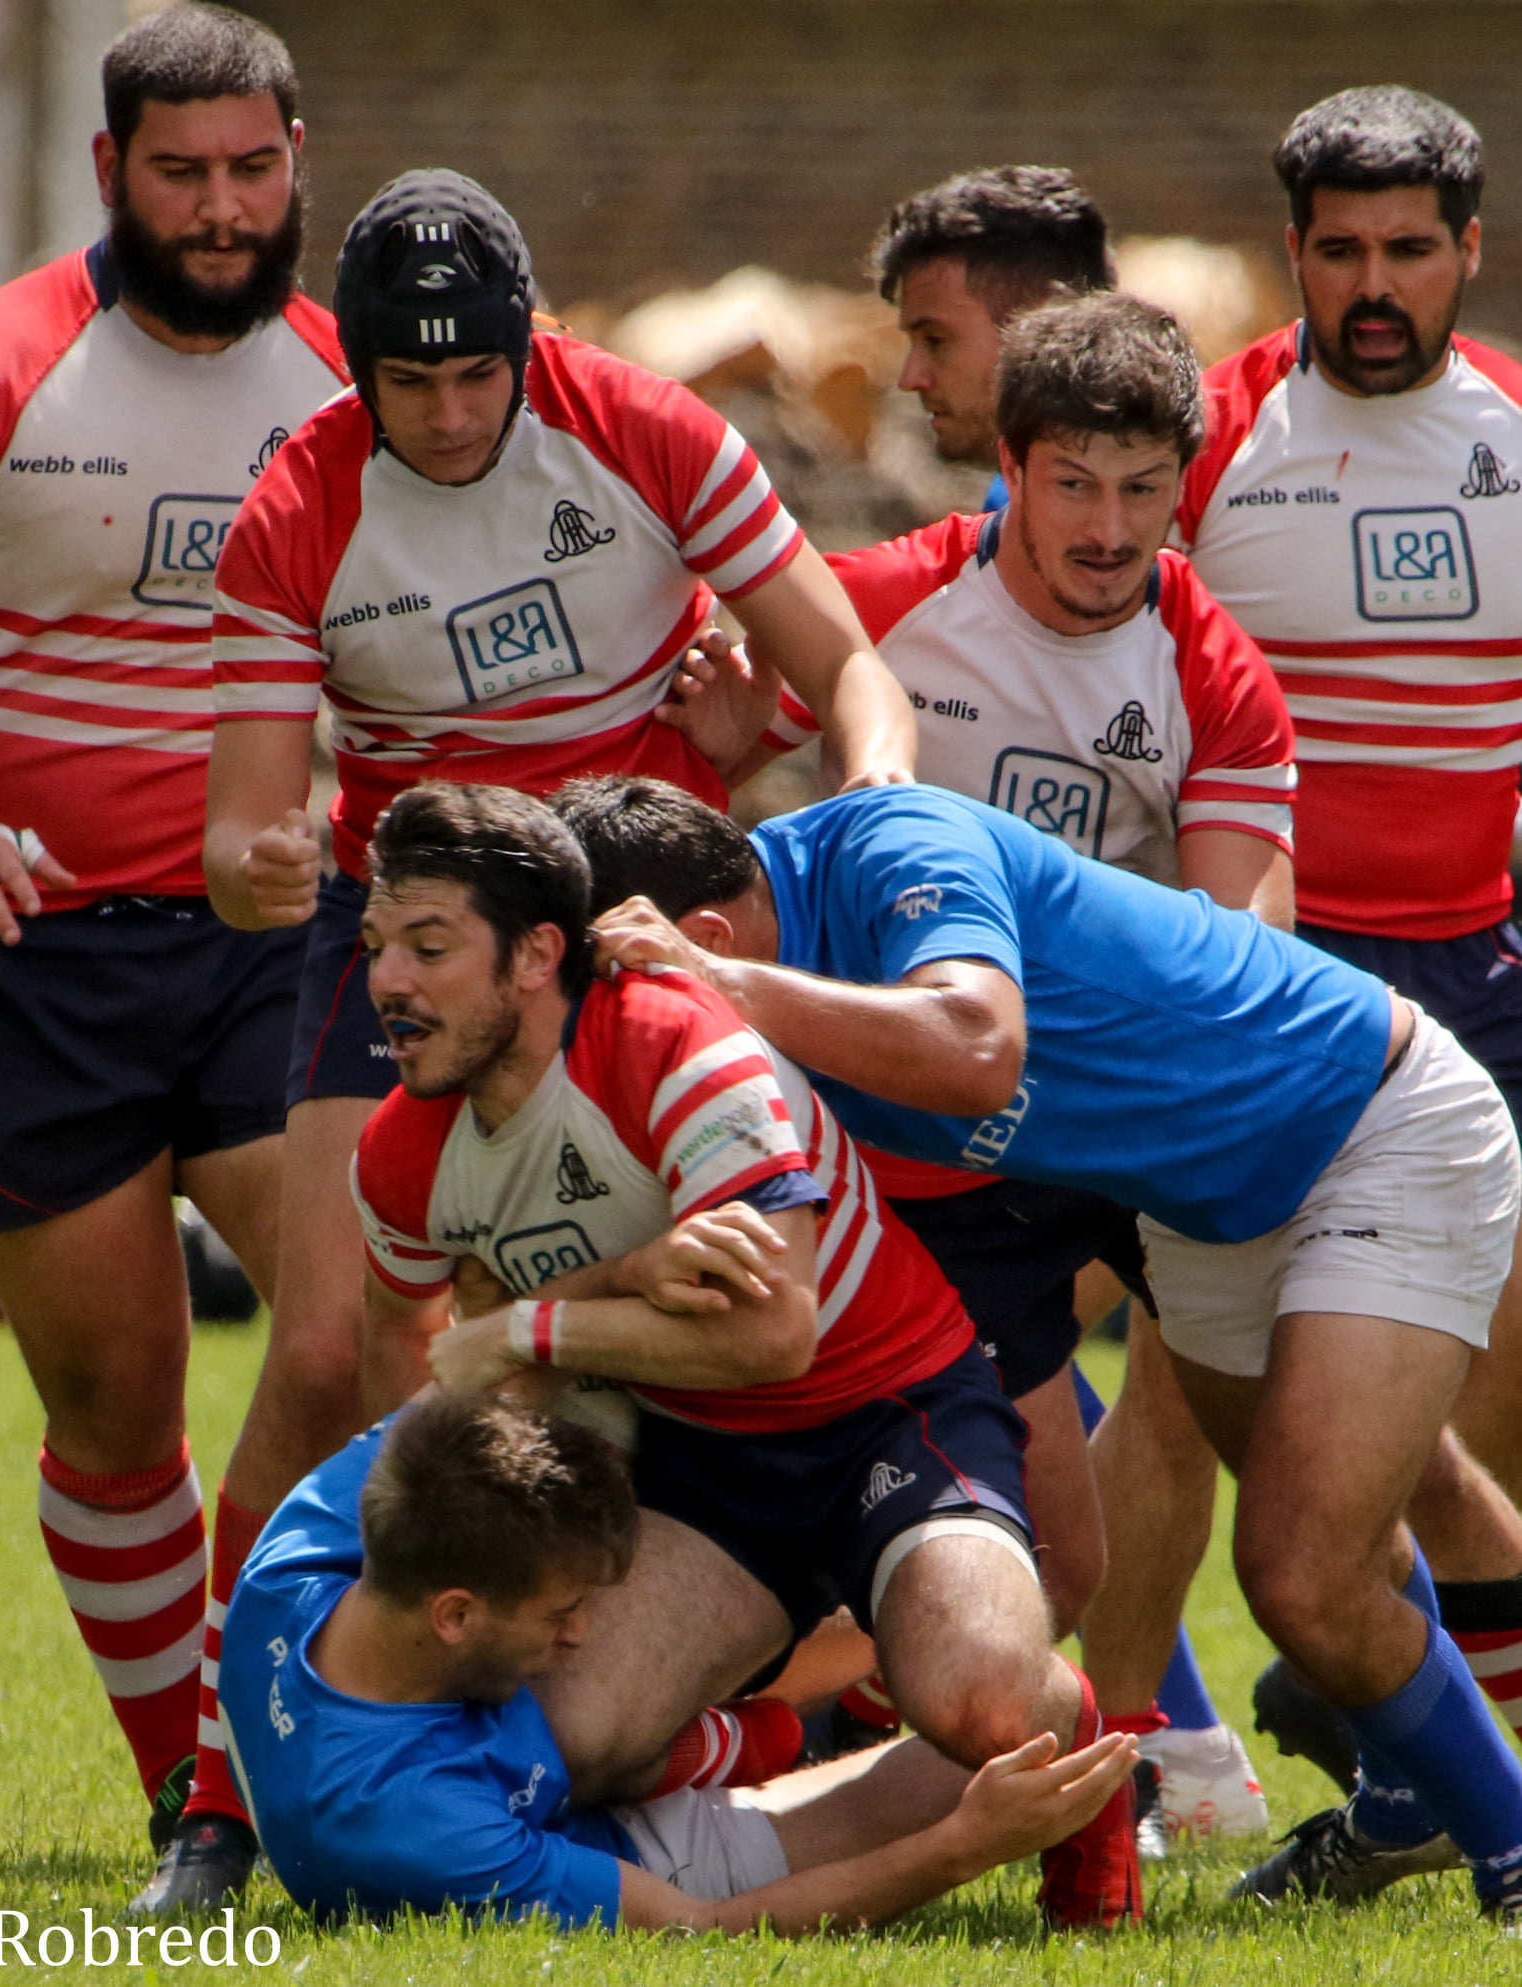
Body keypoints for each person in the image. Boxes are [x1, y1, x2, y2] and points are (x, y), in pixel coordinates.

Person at [145, 165, 919, 1911]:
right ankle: (216, 1790)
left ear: (531, 340)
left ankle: (773, 1685)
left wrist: (878, 800)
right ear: (358, 374)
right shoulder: (296, 503)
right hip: (411, 916)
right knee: (331, 1340)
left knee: (731, 1298)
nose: (445, 411)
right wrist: (257, 865)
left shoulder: (636, 426)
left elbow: (840, 654)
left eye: (475, 374)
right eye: (407, 382)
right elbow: (245, 826)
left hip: (628, 894)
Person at [557, 771, 1522, 1924]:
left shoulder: (888, 842)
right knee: (1325, 1548)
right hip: (1200, 1207)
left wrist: (726, 987)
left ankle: (1508, 1847)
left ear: (697, 936)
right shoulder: (735, 989)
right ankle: (1411, 1785)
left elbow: (977, 1049)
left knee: (1299, 1573)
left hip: (1377, 1123)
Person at [0, 3, 346, 1856]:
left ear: (297, 166)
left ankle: (292, 1756)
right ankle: (184, 1794)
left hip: (261, 936)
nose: (219, 209)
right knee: (119, 1391)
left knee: (354, 1333)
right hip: (1, 955)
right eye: (181, 174)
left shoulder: (351, 387)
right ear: (109, 172)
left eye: (251, 171)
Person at [344, 780, 1143, 1930]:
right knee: (560, 1745)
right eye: (376, 946)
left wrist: (525, 1326)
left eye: (428, 947)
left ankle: (1079, 1751)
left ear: (535, 957)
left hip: (891, 1403)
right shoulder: (401, 1154)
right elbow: (409, 1364)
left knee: (981, 1702)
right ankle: (758, 1743)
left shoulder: (676, 1041)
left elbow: (774, 1332)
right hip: (700, 1457)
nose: (388, 982)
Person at [718, 291, 1288, 1841]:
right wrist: (714, 737)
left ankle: (1307, 1738)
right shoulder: (884, 604)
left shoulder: (1212, 667)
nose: (1106, 527)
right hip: (929, 1137)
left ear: (1183, 487)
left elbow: (1240, 944)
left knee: (1307, 1466)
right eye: (1069, 483)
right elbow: (714, 781)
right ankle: (1025, 1776)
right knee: (1040, 1534)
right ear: (1010, 470)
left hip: (1117, 1125)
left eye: (1139, 489)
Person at [1174, 85, 1522, 1807]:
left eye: (1406, 250)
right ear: (1288, 255)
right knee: (1292, 1443)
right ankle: (1315, 1762)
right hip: (1277, 990)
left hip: (1487, 980)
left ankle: (1421, 1780)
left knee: (1478, 1428)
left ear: (1469, 251)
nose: (1371, 285)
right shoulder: (1209, 438)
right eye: (1338, 252)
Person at [218, 1392, 1137, 1933]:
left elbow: (461, 1412)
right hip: (641, 1844)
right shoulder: (404, 1826)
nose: (584, 1631)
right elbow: (701, 1931)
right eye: (564, 1613)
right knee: (1019, 1736)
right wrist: (961, 1848)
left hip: (547, 1741)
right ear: (455, 1613)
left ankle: (784, 1696)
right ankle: (796, 1704)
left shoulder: (302, 1549)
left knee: (590, 1695)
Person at [876, 165, 1112, 510]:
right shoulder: (1012, 504)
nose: (910, 379)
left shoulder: (1200, 498)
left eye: (936, 340)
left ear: (1046, 325)